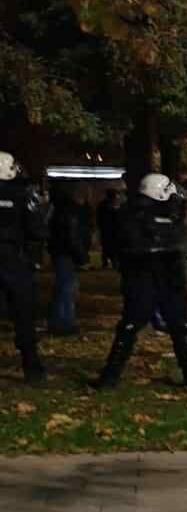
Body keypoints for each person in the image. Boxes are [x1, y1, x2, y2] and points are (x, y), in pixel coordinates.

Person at [91, 173, 187, 390]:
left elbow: (184, 243)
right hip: (149, 277)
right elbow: (132, 245)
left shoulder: (161, 213)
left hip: (160, 277)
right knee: (135, 325)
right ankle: (110, 377)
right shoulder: (135, 215)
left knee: (177, 325)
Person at [0, 152, 50, 381]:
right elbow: (37, 230)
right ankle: (32, 367)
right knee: (23, 314)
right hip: (14, 259)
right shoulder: (22, 194)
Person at [44, 181, 90, 338]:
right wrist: (81, 255)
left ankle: (61, 321)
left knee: (65, 287)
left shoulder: (63, 209)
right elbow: (73, 236)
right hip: (66, 253)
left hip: (62, 252)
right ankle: (63, 323)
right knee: (67, 289)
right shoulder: (71, 211)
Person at [96, 186, 121, 269]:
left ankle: (108, 262)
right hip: (109, 229)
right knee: (109, 247)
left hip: (109, 230)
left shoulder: (105, 204)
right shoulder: (110, 205)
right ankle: (109, 262)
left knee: (108, 247)